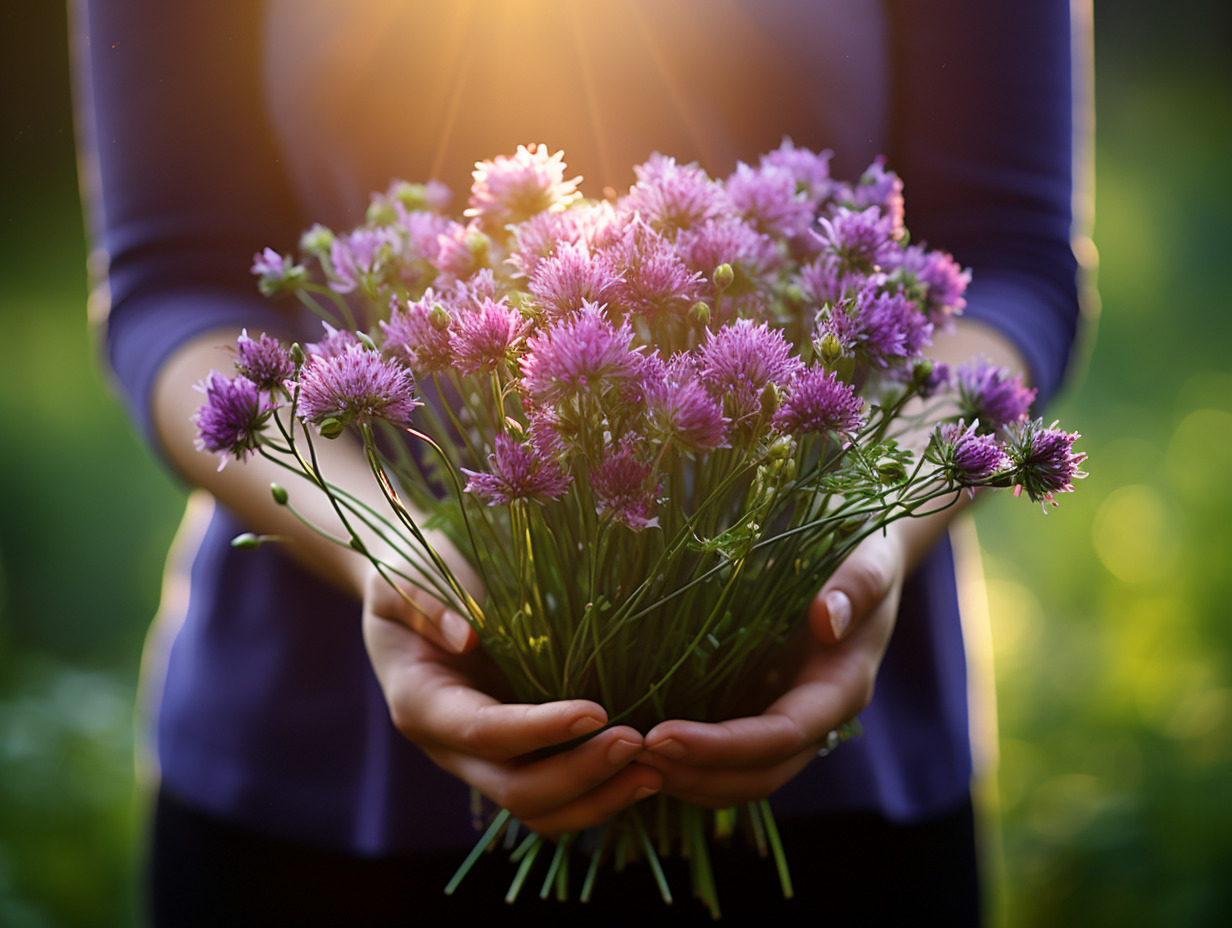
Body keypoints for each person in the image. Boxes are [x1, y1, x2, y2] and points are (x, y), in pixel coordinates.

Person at [74, 1, 1087, 923]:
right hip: (312, 783)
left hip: (830, 764)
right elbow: (172, 280)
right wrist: (387, 548)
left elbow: (1010, 255)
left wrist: (860, 537)